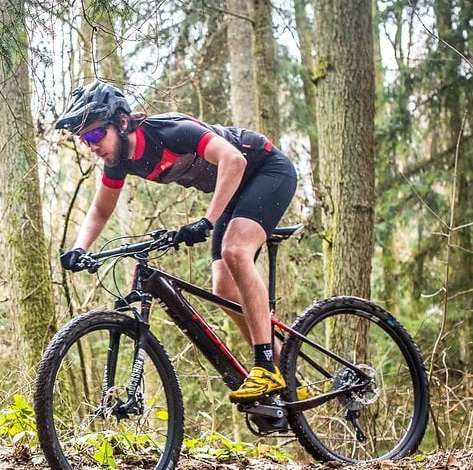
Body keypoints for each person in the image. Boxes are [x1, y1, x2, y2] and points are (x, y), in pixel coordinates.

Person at [56, 81, 298, 401]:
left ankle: (265, 365)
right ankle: (285, 370)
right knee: (223, 289)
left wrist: (207, 222)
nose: (91, 145)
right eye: (85, 139)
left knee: (235, 250)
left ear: (123, 122)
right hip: (237, 192)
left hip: (268, 171)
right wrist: (78, 248)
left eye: (96, 134)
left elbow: (234, 161)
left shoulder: (171, 131)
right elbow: (101, 210)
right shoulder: (118, 162)